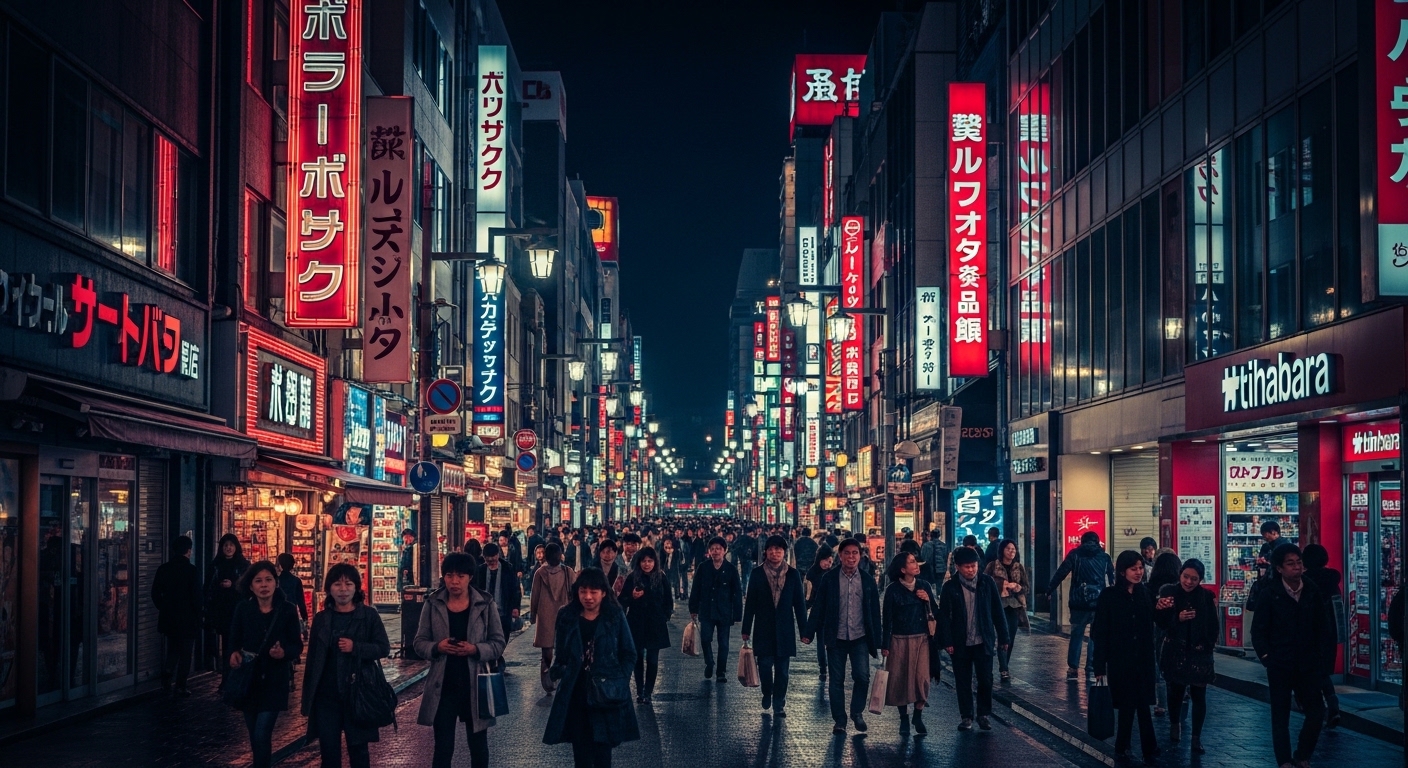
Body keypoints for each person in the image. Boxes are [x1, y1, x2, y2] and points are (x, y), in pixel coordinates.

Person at [414, 552, 506, 768]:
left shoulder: (485, 603)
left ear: (470, 577)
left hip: (476, 684)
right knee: (443, 748)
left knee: (479, 747)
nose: (454, 581)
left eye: (460, 576)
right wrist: (437, 647)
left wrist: (475, 649)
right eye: (449, 575)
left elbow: (498, 643)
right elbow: (419, 642)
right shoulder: (433, 603)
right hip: (443, 686)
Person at [543, 567, 641, 767]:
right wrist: (561, 671)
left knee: (603, 755)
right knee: (581, 755)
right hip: (576, 694)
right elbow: (560, 654)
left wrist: (619, 680)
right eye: (583, 591)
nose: (588, 597)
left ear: (604, 592)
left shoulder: (614, 615)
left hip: (606, 694)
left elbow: (629, 653)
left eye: (593, 592)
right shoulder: (566, 616)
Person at [1252, 544, 1335, 768]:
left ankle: (1302, 754)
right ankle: (1284, 760)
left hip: (1307, 663)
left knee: (1316, 713)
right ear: (1279, 568)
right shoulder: (1271, 593)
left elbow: (1322, 626)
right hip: (1279, 663)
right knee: (1280, 716)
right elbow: (1258, 630)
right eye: (1291, 563)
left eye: (1298, 562)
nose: (1297, 567)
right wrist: (1267, 657)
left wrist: (1319, 657)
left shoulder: (1311, 590)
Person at [301, 563, 391, 768]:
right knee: (329, 753)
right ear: (329, 589)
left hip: (358, 693)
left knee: (358, 751)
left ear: (357, 588)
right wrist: (308, 699)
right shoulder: (322, 619)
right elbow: (313, 661)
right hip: (327, 696)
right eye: (337, 584)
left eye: (348, 584)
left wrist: (356, 647)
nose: (343, 589)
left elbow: (383, 648)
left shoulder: (368, 615)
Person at [803, 538, 882, 736]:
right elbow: (819, 607)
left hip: (860, 637)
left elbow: (874, 612)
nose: (851, 557)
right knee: (836, 680)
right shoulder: (829, 579)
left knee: (862, 677)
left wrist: (881, 640)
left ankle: (857, 712)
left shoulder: (867, 580)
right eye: (847, 553)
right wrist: (808, 632)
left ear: (860, 556)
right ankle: (840, 720)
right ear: (840, 556)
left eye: (855, 553)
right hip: (835, 637)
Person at [228, 561, 303, 768]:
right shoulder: (243, 609)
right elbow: (233, 640)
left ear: (276, 583)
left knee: (262, 733)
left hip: (274, 681)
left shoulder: (287, 610)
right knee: (254, 735)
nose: (264, 585)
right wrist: (233, 654)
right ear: (250, 586)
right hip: (249, 679)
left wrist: (283, 652)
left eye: (268, 580)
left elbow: (297, 646)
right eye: (258, 580)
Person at [1092, 550, 1158, 765]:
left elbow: (1154, 623)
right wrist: (1099, 665)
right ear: (1122, 571)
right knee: (1131, 705)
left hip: (1144, 659)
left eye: (1140, 568)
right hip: (1121, 660)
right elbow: (1100, 633)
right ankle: (1136, 748)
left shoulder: (1145, 593)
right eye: (1134, 569)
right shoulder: (1109, 596)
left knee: (1141, 705)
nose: (1138, 572)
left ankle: (1132, 747)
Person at [937, 546, 1007, 732]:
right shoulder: (950, 587)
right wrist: (947, 641)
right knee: (963, 681)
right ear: (958, 567)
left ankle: (983, 714)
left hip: (983, 639)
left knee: (986, 679)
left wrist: (1004, 636)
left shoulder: (987, 583)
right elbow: (943, 616)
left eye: (974, 566)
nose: (971, 570)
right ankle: (966, 716)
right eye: (967, 566)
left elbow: (997, 611)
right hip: (960, 642)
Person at [1154, 558, 1217, 755]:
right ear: (1180, 574)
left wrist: (1207, 644)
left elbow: (1213, 625)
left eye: (1194, 579)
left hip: (1200, 653)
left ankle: (1196, 738)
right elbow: (1161, 623)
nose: (1189, 582)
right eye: (1186, 577)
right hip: (1176, 650)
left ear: (1200, 580)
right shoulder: (1169, 593)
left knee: (1199, 695)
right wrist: (1177, 618)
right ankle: (1175, 725)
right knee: (1176, 692)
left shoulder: (1206, 597)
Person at [741, 535, 808, 717]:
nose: (775, 553)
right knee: (764, 666)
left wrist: (805, 631)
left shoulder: (793, 574)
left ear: (784, 552)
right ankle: (767, 692)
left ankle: (779, 702)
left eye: (778, 549)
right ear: (766, 551)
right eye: (771, 549)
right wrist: (746, 629)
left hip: (785, 630)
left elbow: (799, 605)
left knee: (783, 671)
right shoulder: (757, 573)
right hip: (763, 629)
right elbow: (751, 604)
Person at [1047, 531, 1115, 680]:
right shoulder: (1104, 556)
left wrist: (1049, 589)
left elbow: (1061, 573)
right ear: (1098, 542)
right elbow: (1112, 578)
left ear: (1082, 541)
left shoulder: (1075, 554)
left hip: (1078, 602)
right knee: (1095, 636)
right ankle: (1091, 666)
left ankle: (1073, 668)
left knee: (1076, 635)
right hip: (1098, 602)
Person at [880, 551, 935, 734]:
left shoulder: (924, 585)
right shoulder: (893, 590)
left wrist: (927, 599)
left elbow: (936, 612)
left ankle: (917, 717)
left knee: (922, 680)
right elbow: (886, 619)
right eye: (911, 562)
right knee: (900, 680)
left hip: (921, 639)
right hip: (898, 640)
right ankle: (903, 719)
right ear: (903, 569)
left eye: (915, 561)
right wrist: (885, 644)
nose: (916, 564)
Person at [618, 546, 673, 703]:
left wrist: (665, 616)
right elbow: (622, 600)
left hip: (655, 624)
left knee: (653, 659)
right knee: (637, 658)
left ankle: (648, 692)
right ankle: (640, 690)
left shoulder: (661, 578)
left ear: (655, 562)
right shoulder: (632, 577)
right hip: (636, 623)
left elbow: (668, 601)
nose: (647, 564)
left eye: (650, 561)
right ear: (639, 562)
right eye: (644, 561)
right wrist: (632, 597)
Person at [151, 534, 201, 696]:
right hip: (187, 619)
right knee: (186, 653)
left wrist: (164, 607)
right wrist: (199, 614)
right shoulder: (192, 571)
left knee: (173, 648)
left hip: (169, 618)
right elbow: (196, 596)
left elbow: (155, 593)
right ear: (188, 551)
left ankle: (166, 675)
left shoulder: (163, 569)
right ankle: (180, 685)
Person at [689, 536, 743, 682]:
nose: (715, 551)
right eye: (712, 549)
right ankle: (709, 662)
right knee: (706, 639)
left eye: (718, 549)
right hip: (706, 610)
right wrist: (693, 608)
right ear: (709, 551)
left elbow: (737, 592)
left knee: (723, 643)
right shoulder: (703, 567)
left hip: (724, 611)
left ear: (724, 551)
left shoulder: (731, 569)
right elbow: (695, 589)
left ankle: (721, 672)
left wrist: (738, 614)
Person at [1301, 543, 1343, 729]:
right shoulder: (1333, 581)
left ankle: (1316, 709)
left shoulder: (1305, 582)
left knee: (1309, 672)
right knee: (1323, 671)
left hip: (1310, 633)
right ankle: (1331, 704)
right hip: (1330, 632)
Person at [531, 542, 576, 693]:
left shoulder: (540, 573)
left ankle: (547, 677)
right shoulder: (568, 571)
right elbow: (576, 592)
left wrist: (533, 614)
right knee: (564, 646)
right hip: (565, 611)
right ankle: (559, 676)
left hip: (545, 613)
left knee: (547, 649)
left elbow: (534, 595)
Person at [985, 539, 1028, 681]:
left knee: (1010, 637)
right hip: (998, 606)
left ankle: (1005, 666)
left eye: (1014, 549)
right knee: (1001, 636)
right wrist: (1001, 585)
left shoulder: (1019, 567)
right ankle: (1003, 668)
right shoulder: (993, 566)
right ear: (1002, 550)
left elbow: (1026, 587)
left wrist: (1019, 588)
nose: (1011, 551)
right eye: (1009, 549)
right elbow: (984, 584)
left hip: (1014, 606)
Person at [1146, 551, 1183, 715]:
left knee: (1158, 666)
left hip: (1156, 631)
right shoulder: (1180, 589)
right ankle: (1181, 696)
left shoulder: (1149, 588)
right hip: (1177, 633)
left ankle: (1161, 704)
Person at [206, 533, 250, 674]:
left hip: (238, 609)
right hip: (221, 610)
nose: (229, 548)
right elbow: (208, 586)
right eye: (226, 545)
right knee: (226, 644)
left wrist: (233, 585)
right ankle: (226, 675)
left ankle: (237, 675)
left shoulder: (244, 565)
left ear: (236, 547)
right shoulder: (215, 565)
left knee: (238, 643)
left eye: (231, 545)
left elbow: (247, 587)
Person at [478, 543, 523, 654]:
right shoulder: (480, 570)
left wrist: (516, 607)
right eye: (488, 561)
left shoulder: (508, 568)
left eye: (493, 560)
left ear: (498, 555)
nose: (491, 563)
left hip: (503, 610)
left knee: (503, 637)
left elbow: (515, 589)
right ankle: (493, 659)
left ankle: (497, 657)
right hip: (485, 612)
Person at [805, 545, 834, 681]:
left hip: (832, 613)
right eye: (826, 560)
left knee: (830, 642)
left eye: (830, 561)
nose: (828, 564)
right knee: (821, 642)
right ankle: (823, 667)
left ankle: (830, 666)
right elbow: (809, 595)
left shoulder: (832, 573)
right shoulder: (812, 574)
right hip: (819, 613)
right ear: (819, 559)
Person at [276, 553, 309, 636]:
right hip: (292, 614)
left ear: (280, 564)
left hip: (277, 614)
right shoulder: (296, 581)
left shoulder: (276, 581)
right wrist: (305, 619)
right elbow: (301, 602)